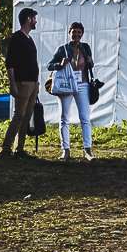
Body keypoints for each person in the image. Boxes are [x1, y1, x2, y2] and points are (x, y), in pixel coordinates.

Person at [45, 22, 96, 161]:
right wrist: (59, 64)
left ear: (82, 34)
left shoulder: (85, 48)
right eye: (74, 32)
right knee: (64, 118)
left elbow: (90, 64)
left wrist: (91, 61)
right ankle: (65, 150)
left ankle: (88, 150)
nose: (76, 35)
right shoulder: (62, 49)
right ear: (69, 33)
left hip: (82, 85)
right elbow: (49, 65)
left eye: (79, 32)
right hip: (66, 85)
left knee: (85, 118)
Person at [2, 7, 40, 156]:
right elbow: (10, 63)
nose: (36, 21)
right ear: (28, 19)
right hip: (22, 82)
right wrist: (12, 83)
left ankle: (20, 148)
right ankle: (6, 147)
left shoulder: (29, 39)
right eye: (34, 18)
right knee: (19, 115)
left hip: (32, 83)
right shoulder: (17, 38)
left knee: (27, 115)